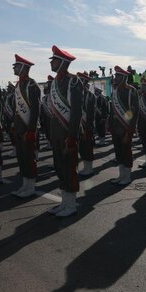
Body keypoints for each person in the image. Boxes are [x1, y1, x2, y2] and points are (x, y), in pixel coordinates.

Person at [46, 45, 83, 217]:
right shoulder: (55, 82)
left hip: (68, 134)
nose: (51, 63)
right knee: (59, 168)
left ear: (62, 63)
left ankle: (72, 205)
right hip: (57, 133)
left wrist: (72, 137)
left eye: (54, 60)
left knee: (69, 168)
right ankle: (64, 202)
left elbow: (76, 112)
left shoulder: (73, 81)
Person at [11, 54, 41, 197]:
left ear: (23, 67)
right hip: (19, 127)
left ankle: (31, 187)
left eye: (16, 66)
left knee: (29, 158)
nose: (14, 68)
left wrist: (31, 129)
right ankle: (24, 185)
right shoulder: (19, 84)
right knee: (21, 158)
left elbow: (35, 109)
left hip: (27, 128)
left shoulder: (31, 85)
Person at [109, 65, 139, 185]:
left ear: (124, 77)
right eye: (116, 76)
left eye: (118, 76)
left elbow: (134, 110)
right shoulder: (116, 91)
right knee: (118, 152)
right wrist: (110, 124)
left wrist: (129, 129)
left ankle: (127, 176)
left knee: (126, 152)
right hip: (116, 127)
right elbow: (112, 110)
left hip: (125, 127)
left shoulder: (131, 90)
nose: (115, 78)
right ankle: (121, 175)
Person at [78, 71, 96, 176]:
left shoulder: (90, 96)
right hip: (79, 126)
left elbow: (90, 114)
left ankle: (89, 168)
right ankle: (85, 167)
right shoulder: (78, 94)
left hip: (87, 126)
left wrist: (87, 129)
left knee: (88, 148)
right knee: (81, 148)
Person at [39, 75, 54, 150]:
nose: (46, 87)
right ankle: (49, 142)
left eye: (48, 85)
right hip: (46, 116)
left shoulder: (53, 96)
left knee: (52, 130)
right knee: (47, 130)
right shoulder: (45, 97)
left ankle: (52, 143)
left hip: (52, 117)